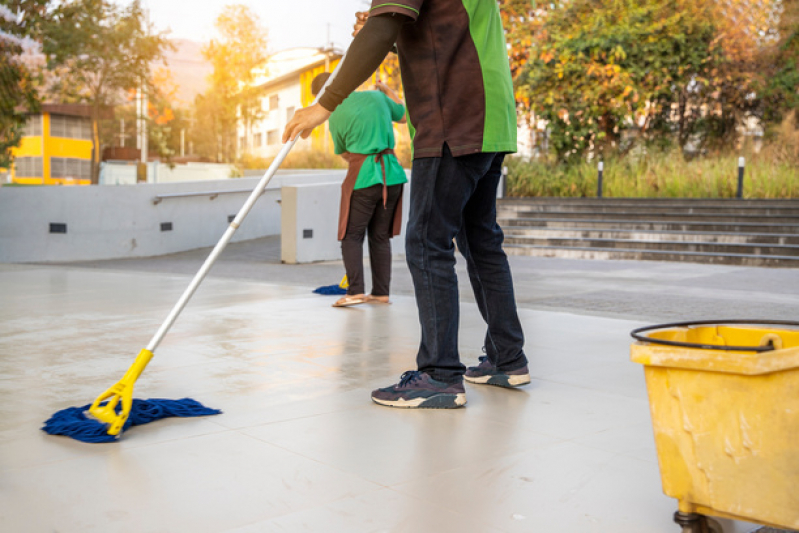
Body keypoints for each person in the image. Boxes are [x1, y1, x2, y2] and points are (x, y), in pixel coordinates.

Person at [283, 0, 529, 409]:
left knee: (426, 242)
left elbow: (381, 29)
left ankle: (439, 375)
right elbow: (444, 33)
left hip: (452, 115)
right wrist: (393, 32)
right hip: (490, 112)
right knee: (480, 240)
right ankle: (508, 358)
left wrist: (322, 105)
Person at [309, 73, 408, 307]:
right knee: (380, 236)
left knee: (351, 236)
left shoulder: (334, 116)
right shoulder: (377, 97)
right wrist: (386, 91)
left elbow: (345, 153)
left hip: (364, 178)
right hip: (392, 175)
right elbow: (403, 116)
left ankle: (355, 292)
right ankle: (381, 293)